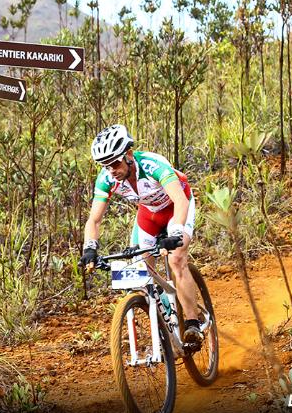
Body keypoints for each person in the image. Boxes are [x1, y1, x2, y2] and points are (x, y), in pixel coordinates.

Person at [79, 124, 202, 344]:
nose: (111, 170)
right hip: (149, 214)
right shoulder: (107, 179)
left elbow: (180, 201)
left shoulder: (152, 165)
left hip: (176, 207)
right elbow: (94, 220)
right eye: (105, 165)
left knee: (176, 259)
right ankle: (166, 319)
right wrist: (90, 248)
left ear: (128, 155)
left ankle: (193, 323)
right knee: (140, 271)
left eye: (114, 163)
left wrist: (175, 232)